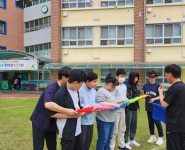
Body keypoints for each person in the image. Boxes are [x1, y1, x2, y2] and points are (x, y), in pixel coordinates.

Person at [30, 67, 78, 150]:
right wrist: (66, 111)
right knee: (38, 147)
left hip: (52, 123)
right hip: (39, 122)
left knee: (52, 147)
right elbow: (48, 105)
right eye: (70, 79)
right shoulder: (51, 88)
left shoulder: (66, 89)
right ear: (63, 77)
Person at [49, 69, 87, 150]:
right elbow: (52, 114)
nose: (81, 87)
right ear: (75, 82)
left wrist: (85, 110)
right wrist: (72, 116)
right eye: (81, 84)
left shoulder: (76, 91)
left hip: (77, 129)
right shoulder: (60, 94)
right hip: (67, 131)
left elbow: (77, 106)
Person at [158, 64, 185, 150]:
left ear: (170, 74)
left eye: (165, 75)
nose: (166, 77)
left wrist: (160, 93)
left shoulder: (174, 88)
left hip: (174, 126)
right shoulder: (183, 86)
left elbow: (164, 104)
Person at [96, 73, 121, 150]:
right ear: (111, 84)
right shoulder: (101, 91)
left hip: (111, 119)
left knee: (109, 139)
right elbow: (100, 102)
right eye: (115, 86)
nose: (115, 88)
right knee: (103, 140)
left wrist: (119, 104)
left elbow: (113, 102)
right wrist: (113, 104)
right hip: (103, 119)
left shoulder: (111, 92)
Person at [141, 71, 164, 145]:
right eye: (150, 77)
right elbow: (144, 94)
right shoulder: (145, 85)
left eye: (153, 77)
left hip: (156, 107)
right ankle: (152, 136)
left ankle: (160, 137)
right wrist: (142, 94)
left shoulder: (158, 85)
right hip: (148, 106)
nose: (151, 79)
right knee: (150, 122)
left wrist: (154, 99)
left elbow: (161, 96)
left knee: (157, 122)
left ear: (155, 78)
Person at [78, 72, 98, 150]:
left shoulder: (94, 91)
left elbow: (96, 102)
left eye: (96, 81)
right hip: (82, 121)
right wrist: (88, 107)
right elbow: (79, 104)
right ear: (87, 81)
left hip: (91, 121)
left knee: (88, 143)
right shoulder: (80, 89)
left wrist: (96, 107)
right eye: (94, 81)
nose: (96, 83)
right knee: (81, 144)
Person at [110, 69, 129, 150]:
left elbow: (124, 97)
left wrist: (127, 101)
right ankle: (111, 147)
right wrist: (118, 102)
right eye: (121, 76)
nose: (122, 78)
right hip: (116, 111)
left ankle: (121, 146)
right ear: (117, 76)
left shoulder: (124, 86)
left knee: (122, 129)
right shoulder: (114, 86)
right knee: (114, 131)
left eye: (124, 76)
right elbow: (112, 98)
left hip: (123, 111)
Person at [124, 72, 140, 150]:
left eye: (137, 78)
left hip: (135, 106)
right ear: (131, 77)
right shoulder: (125, 85)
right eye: (134, 78)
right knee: (127, 124)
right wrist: (131, 99)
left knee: (134, 124)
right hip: (128, 107)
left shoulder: (136, 85)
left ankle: (132, 139)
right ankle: (125, 141)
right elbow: (125, 96)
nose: (136, 80)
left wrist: (139, 97)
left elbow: (135, 94)